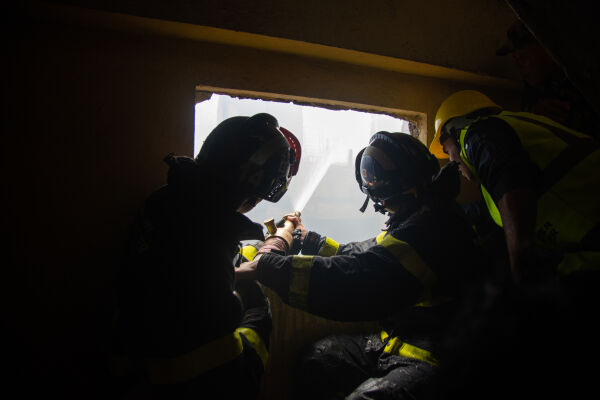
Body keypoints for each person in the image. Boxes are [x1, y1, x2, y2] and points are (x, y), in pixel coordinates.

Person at [236, 131, 484, 400]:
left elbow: (363, 279)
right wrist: (311, 241)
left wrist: (268, 268)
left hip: (435, 357)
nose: (372, 185)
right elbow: (364, 252)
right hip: (395, 341)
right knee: (318, 359)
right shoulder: (414, 217)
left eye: (376, 177)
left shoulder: (435, 228)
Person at [109, 113, 301, 399]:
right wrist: (283, 238)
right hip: (193, 385)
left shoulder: (167, 200)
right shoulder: (209, 235)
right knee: (258, 305)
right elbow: (218, 356)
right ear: (255, 184)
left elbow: (209, 259)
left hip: (131, 376)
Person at [429, 89, 600, 286]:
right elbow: (488, 209)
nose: (450, 161)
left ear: (455, 129)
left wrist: (521, 275)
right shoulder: (509, 129)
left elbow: (513, 192)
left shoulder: (477, 134)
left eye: (447, 150)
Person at [497, 20, 600, 139]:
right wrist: (533, 116)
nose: (518, 66)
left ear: (548, 49)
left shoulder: (585, 80)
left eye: (522, 56)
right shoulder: (535, 85)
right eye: (515, 58)